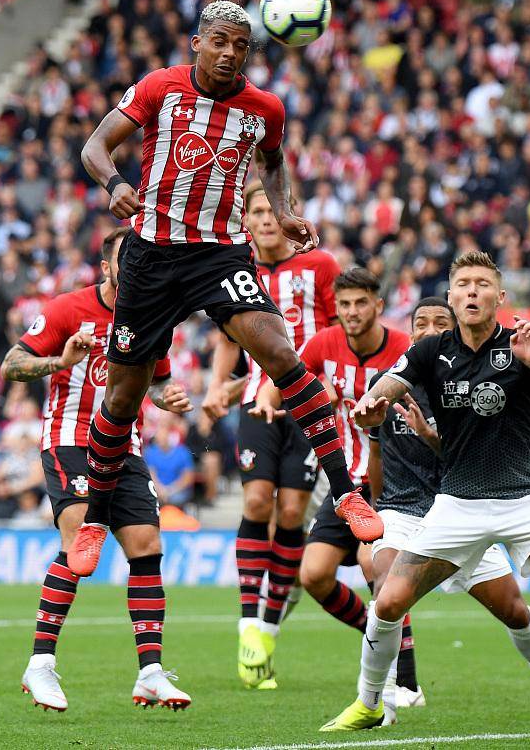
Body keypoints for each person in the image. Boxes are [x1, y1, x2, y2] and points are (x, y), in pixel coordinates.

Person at [71, 0, 381, 578]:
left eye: (240, 45)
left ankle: (346, 491)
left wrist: (284, 213)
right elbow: (94, 146)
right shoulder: (158, 88)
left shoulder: (264, 107)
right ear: (197, 42)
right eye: (219, 41)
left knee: (281, 353)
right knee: (121, 396)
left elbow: (273, 162)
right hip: (152, 257)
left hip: (219, 254)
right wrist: (113, 184)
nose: (229, 53)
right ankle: (93, 517)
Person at [319, 251, 530, 742]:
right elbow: (389, 385)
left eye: (483, 284)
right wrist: (374, 404)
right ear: (452, 296)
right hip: (456, 504)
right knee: (389, 600)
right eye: (464, 284)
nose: (472, 292)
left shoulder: (524, 343)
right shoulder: (430, 350)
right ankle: (370, 702)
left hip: (526, 495)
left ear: (500, 297)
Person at [363, 296, 530, 727]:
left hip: (462, 508)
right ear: (411, 333)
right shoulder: (393, 384)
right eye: (421, 323)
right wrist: (380, 511)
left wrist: (430, 436)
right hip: (405, 513)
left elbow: (469, 457)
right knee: (386, 589)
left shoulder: (471, 381)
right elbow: (376, 453)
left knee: (514, 611)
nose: (429, 330)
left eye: (438, 323)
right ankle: (384, 699)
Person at [5, 228, 193, 711]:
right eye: (125, 261)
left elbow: (156, 382)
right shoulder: (68, 309)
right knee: (78, 550)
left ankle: (150, 671)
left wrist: (165, 398)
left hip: (125, 447)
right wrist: (59, 360)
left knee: (147, 547)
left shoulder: (153, 315)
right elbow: (11, 364)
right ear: (108, 267)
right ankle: (40, 664)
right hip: (70, 441)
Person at [202, 181, 340, 690]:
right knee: (257, 502)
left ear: (288, 216)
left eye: (271, 210)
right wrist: (219, 386)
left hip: (308, 403)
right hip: (255, 404)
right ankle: (248, 625)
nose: (264, 220)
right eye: (254, 211)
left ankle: (267, 628)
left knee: (289, 515)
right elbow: (227, 340)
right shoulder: (234, 270)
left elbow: (336, 331)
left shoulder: (320, 267)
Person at [248, 268, 411, 688]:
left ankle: (407, 681)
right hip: (345, 483)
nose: (352, 312)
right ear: (335, 309)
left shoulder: (401, 348)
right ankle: (375, 637)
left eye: (361, 303)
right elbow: (284, 377)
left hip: (393, 482)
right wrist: (267, 400)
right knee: (314, 575)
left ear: (378, 305)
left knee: (372, 563)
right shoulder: (324, 342)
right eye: (344, 304)